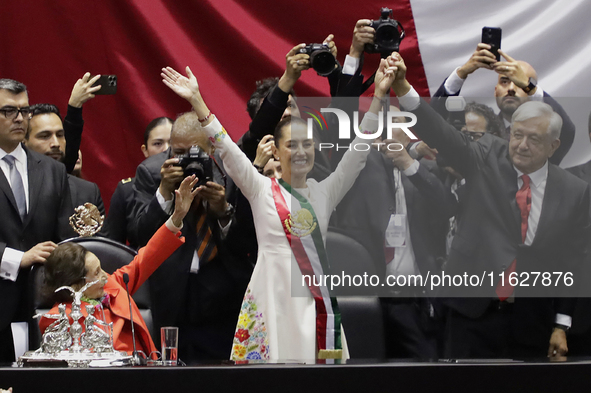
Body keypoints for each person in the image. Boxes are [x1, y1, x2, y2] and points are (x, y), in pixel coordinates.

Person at [159, 54, 395, 360]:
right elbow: (226, 148)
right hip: (270, 296)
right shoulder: (259, 189)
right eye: (291, 145)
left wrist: (377, 98)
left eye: (307, 144)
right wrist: (197, 100)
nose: (300, 152)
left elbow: (359, 151)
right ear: (277, 150)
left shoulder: (326, 191)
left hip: (313, 301)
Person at [388, 53, 590, 359]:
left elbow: (571, 261)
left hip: (531, 319)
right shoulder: (485, 155)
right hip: (471, 313)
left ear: (553, 147)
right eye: (517, 136)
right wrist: (403, 87)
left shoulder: (573, 189)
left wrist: (561, 324)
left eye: (533, 139)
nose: (522, 145)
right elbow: (437, 130)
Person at [132, 112, 252, 362]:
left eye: (194, 151)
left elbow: (247, 243)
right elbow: (140, 235)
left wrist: (223, 212)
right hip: (171, 292)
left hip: (222, 290)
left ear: (211, 146)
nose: (186, 159)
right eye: (178, 151)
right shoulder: (152, 172)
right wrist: (164, 190)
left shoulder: (231, 168)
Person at [39, 175, 198, 356]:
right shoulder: (57, 319)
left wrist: (177, 216)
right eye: (97, 273)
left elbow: (147, 258)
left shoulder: (113, 286)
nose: (105, 276)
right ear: (75, 286)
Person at [0, 78, 75, 362]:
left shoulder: (54, 170)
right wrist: (18, 258)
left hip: (45, 306)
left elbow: (65, 235)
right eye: (9, 111)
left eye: (24, 110)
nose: (20, 118)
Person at [431, 43, 575, 165]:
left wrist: (529, 86)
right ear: (495, 91)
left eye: (520, 83)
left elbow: (566, 131)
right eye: (504, 82)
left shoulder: (544, 136)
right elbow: (432, 123)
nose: (511, 89)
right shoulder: (479, 129)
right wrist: (461, 73)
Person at [103, 117, 172, 248]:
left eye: (173, 143)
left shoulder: (191, 183)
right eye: (158, 144)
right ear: (144, 150)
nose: (166, 150)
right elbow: (113, 246)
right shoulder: (126, 190)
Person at [25, 103, 105, 215]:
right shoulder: (14, 189)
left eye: (60, 135)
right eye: (44, 136)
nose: (56, 144)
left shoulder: (88, 192)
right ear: (24, 142)